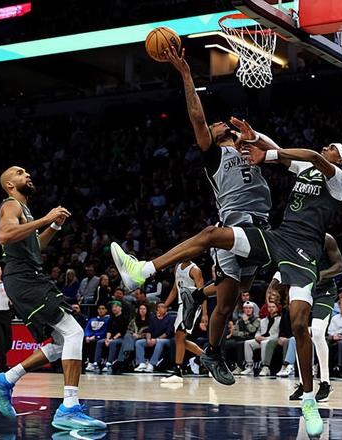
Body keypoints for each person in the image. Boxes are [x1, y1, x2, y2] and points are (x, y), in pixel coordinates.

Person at [111, 117, 342, 437]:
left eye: (333, 148)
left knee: (298, 324)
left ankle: (309, 399)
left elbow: (309, 156)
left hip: (305, 254)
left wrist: (268, 154)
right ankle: (143, 271)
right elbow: (278, 150)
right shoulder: (305, 170)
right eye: (327, 146)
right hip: (276, 238)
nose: (326, 148)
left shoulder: (337, 179)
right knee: (213, 234)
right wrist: (254, 136)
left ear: (340, 161)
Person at [113, 45, 273, 389]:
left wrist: (254, 138)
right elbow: (198, 117)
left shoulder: (251, 148)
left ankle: (208, 337)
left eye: (218, 123)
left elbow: (281, 153)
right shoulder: (213, 155)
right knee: (214, 251)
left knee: (233, 298)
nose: (217, 123)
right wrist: (186, 73)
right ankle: (145, 270)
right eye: (214, 125)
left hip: (260, 227)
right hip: (235, 228)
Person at [0, 166, 105, 431]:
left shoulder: (24, 211)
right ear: (9, 185)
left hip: (29, 276)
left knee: (62, 342)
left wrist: (54, 226)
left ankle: (4, 380)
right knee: (74, 333)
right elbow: (4, 235)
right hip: (24, 278)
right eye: (19, 173)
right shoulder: (11, 205)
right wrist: (45, 218)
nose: (26, 174)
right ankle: (69, 408)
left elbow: (34, 247)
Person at [287, 233, 342, 402]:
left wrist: (320, 274)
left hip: (324, 290)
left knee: (318, 333)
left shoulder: (327, 239)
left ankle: (325, 383)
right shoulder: (294, 238)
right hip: (303, 289)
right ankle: (304, 384)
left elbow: (339, 266)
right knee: (299, 334)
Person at [160, 261, 206, 383]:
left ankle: (178, 371)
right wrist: (165, 305)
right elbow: (174, 289)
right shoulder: (177, 268)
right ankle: (208, 359)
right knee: (179, 339)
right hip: (182, 305)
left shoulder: (195, 270)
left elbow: (203, 293)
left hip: (192, 304)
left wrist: (205, 314)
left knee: (180, 336)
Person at [84, 304, 110, 371]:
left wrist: (95, 336)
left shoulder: (108, 320)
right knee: (83, 341)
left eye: (103, 309)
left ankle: (92, 362)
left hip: (101, 337)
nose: (101, 310)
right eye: (99, 309)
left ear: (106, 310)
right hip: (90, 337)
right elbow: (87, 328)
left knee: (94, 342)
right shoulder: (92, 319)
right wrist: (87, 336)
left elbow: (105, 331)